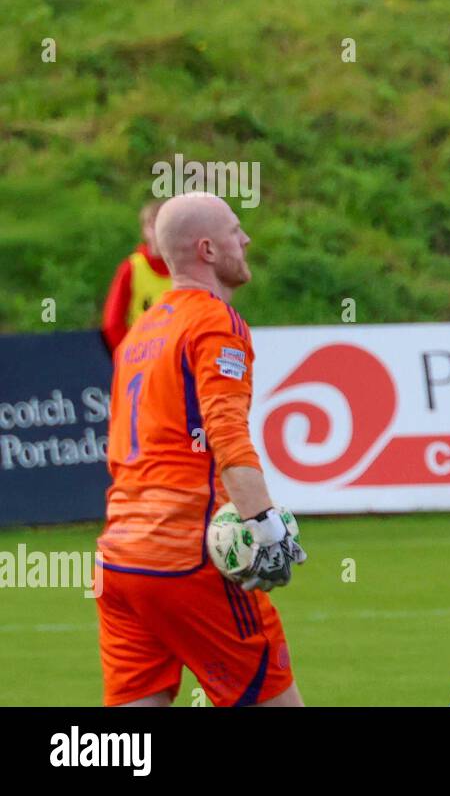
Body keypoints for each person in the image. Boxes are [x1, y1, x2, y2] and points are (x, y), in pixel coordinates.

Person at [96, 192, 306, 707]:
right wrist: (265, 527)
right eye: (237, 230)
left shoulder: (140, 332)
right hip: (187, 557)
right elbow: (228, 437)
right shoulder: (213, 321)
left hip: (121, 559)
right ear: (209, 250)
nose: (247, 239)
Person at [101, 200, 172, 354]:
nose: (160, 232)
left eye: (166, 225)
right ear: (145, 230)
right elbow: (113, 322)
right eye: (154, 226)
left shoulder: (188, 267)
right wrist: (128, 355)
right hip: (141, 353)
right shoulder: (131, 268)